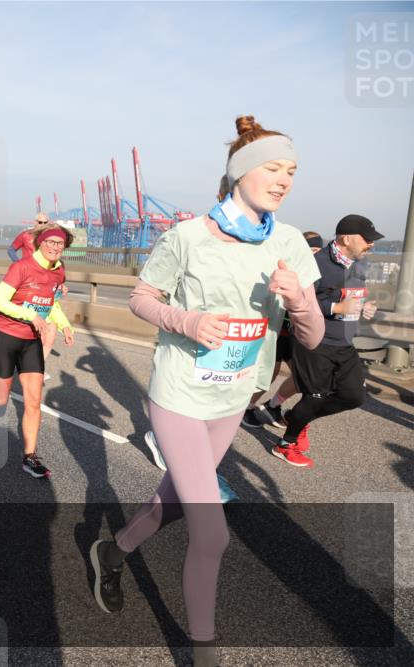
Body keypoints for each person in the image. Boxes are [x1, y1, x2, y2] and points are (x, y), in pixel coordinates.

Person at [88, 116, 324, 667]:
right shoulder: (186, 236)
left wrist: (300, 302)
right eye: (273, 167)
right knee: (211, 530)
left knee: (173, 500)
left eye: (291, 170)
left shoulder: (289, 242)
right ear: (240, 172)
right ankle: (204, 651)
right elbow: (142, 299)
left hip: (233, 396)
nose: (284, 179)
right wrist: (187, 322)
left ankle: (113, 551)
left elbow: (311, 336)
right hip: (177, 395)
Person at [0, 223, 76, 479]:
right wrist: (29, 314)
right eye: (51, 242)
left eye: (60, 244)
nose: (55, 248)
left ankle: (29, 457)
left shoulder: (59, 272)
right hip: (4, 337)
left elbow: (50, 304)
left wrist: (64, 325)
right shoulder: (21, 267)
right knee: (0, 399)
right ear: (40, 243)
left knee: (34, 402)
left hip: (31, 341)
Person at [272, 215, 382, 468]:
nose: (371, 245)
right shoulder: (317, 263)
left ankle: (296, 417)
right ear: (346, 238)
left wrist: (364, 307)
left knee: (354, 396)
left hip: (344, 343)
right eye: (367, 240)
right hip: (316, 341)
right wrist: (337, 306)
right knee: (316, 396)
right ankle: (286, 444)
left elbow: (351, 296)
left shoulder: (360, 265)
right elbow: (298, 301)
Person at [240, 230, 324, 430]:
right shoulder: (287, 266)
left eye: (317, 251)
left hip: (296, 333)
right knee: (268, 373)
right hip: (277, 330)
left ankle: (273, 405)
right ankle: (246, 407)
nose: (313, 255)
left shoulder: (317, 272)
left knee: (300, 376)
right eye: (310, 249)